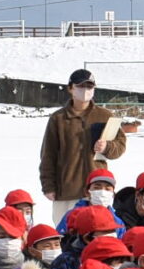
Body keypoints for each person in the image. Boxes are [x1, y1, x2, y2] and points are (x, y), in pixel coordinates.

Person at [38, 70, 126, 221]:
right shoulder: (58, 118)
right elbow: (48, 155)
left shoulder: (105, 116)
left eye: (89, 87)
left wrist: (107, 147)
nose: (85, 90)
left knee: (98, 230)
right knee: (66, 232)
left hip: (97, 191)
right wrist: (48, 186)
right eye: (80, 86)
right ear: (70, 88)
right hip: (66, 191)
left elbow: (120, 146)